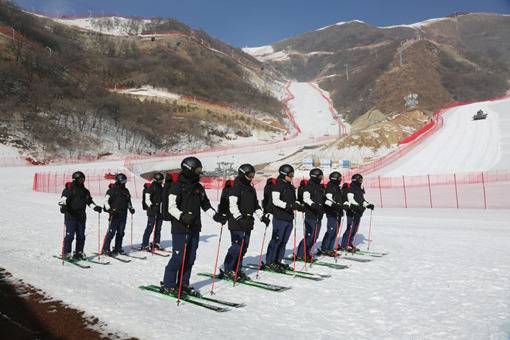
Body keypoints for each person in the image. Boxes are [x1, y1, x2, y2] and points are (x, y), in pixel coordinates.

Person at [161, 157, 223, 296]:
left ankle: (183, 284)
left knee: (190, 258)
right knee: (178, 258)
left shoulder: (198, 187)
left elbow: (205, 204)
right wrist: (182, 216)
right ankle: (168, 284)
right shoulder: (176, 187)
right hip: (180, 228)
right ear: (189, 169)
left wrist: (215, 216)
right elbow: (171, 207)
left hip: (194, 227)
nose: (199, 172)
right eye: (197, 170)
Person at [219, 164, 270, 281]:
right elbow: (232, 205)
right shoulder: (235, 187)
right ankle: (228, 269)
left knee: (244, 247)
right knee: (236, 247)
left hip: (248, 222)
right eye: (249, 175)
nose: (251, 177)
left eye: (253, 175)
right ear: (242, 174)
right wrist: (239, 218)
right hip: (236, 222)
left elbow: (255, 205)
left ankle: (237, 269)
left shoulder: (250, 188)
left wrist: (262, 217)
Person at [264, 164, 302, 272]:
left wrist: (298, 205)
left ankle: (278, 261)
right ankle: (270, 262)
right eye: (290, 174)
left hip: (289, 218)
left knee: (284, 241)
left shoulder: (290, 186)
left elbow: (292, 201)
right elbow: (276, 201)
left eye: (293, 174)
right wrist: (289, 206)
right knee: (276, 240)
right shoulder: (278, 185)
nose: (292, 177)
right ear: (284, 174)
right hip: (279, 217)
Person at [58, 171, 103, 260]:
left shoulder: (85, 191)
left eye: (83, 179)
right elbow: (63, 199)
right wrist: (63, 206)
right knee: (70, 235)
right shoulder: (69, 189)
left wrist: (95, 207)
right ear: (75, 179)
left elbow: (89, 202)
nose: (82, 181)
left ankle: (79, 252)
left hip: (81, 216)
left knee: (81, 235)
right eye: (80, 179)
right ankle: (66, 252)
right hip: (71, 216)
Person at [101, 173, 135, 256]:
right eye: (123, 181)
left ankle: (118, 247)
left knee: (121, 232)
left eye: (125, 181)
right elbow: (105, 202)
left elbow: (128, 201)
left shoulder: (126, 191)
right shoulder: (111, 190)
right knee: (111, 232)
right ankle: (105, 248)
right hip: (114, 214)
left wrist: (131, 208)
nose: (125, 183)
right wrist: (110, 210)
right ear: (119, 181)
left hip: (123, 214)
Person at [339, 173, 374, 252]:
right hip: (352, 211)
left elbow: (362, 200)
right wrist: (357, 206)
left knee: (355, 229)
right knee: (350, 228)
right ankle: (344, 245)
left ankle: (349, 243)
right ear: (355, 180)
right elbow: (351, 200)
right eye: (360, 180)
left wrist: (368, 205)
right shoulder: (350, 188)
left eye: (361, 179)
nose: (361, 181)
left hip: (358, 212)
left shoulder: (359, 189)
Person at [296, 168, 326, 261]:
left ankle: (307, 253)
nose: (321, 178)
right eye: (320, 176)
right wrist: (314, 205)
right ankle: (301, 254)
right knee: (309, 236)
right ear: (315, 176)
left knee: (315, 237)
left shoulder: (320, 187)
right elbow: (306, 198)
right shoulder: (309, 186)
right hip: (311, 215)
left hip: (319, 215)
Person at [319, 171, 344, 256]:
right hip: (332, 212)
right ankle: (325, 248)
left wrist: (343, 206)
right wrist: (336, 206)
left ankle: (330, 248)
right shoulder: (330, 187)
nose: (340, 180)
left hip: (338, 212)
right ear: (335, 178)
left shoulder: (337, 187)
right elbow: (329, 199)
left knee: (336, 231)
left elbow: (340, 199)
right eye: (339, 178)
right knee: (331, 230)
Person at [141, 172, 164, 251]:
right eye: (161, 180)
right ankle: (144, 244)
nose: (162, 181)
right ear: (157, 179)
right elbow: (147, 198)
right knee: (150, 228)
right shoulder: (151, 187)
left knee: (158, 228)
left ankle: (156, 243)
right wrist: (151, 206)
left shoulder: (160, 187)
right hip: (152, 211)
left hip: (159, 211)